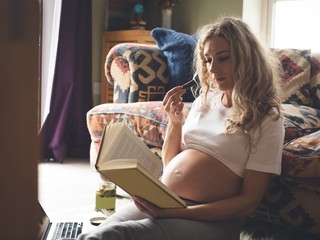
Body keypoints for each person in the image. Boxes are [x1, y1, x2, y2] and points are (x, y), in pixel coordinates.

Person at [78, 16, 284, 240]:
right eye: (207, 60)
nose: (212, 69)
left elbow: (248, 202)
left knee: (116, 235)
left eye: (223, 58)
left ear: (246, 59)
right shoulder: (205, 101)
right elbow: (170, 164)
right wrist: (175, 123)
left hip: (212, 220)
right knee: (94, 234)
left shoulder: (266, 118)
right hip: (166, 200)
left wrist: (178, 212)